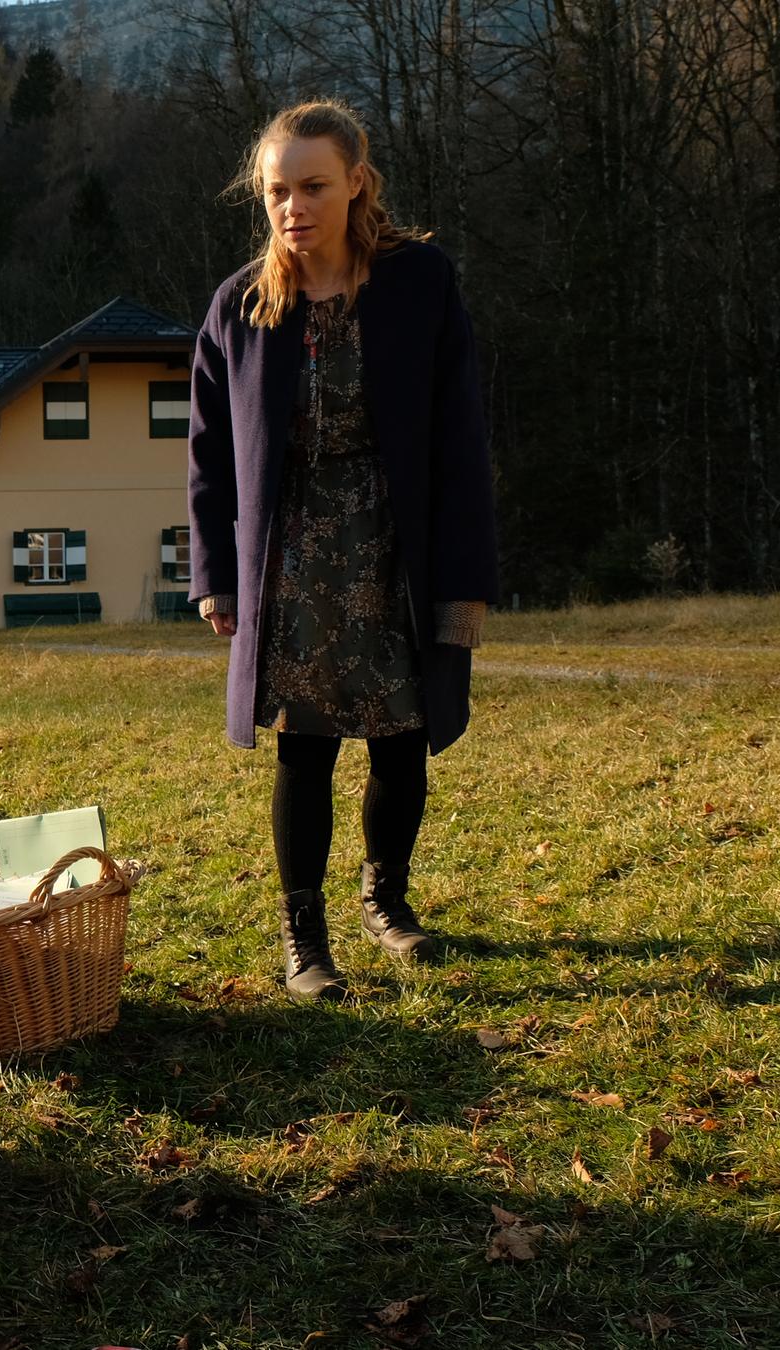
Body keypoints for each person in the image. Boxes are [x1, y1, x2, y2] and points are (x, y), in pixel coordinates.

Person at [185, 101, 500, 1002]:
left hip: (403, 545)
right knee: (308, 747)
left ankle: (388, 905)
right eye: (278, 191)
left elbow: (461, 439)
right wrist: (214, 573)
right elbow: (207, 452)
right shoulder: (241, 306)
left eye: (313, 186)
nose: (295, 207)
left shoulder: (421, 283)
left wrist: (465, 585)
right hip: (292, 559)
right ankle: (304, 939)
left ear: (357, 182)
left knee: (403, 741)